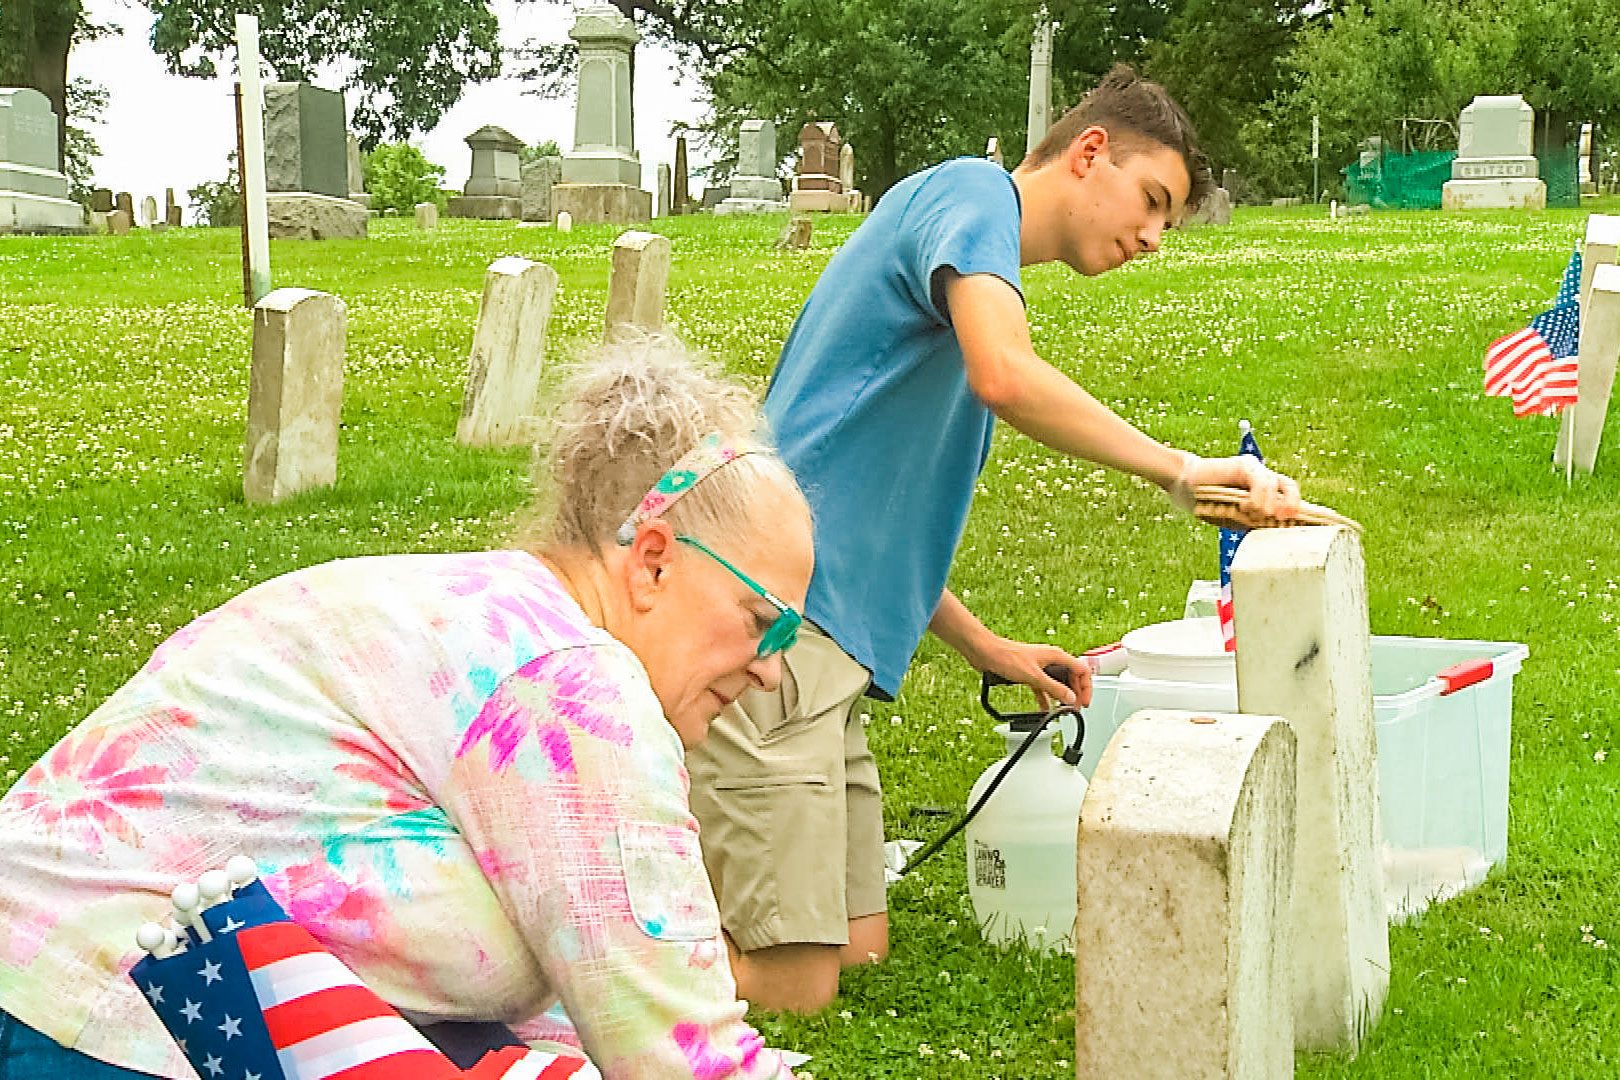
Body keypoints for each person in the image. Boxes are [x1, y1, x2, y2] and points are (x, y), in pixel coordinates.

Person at [0, 334, 810, 1079]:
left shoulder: (476, 610)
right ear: (656, 563)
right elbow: (676, 1053)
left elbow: (577, 1009)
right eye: (764, 622)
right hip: (101, 1018)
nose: (773, 671)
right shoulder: (572, 682)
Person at [687, 64, 1303, 1012]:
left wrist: (989, 648)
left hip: (828, 656)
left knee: (859, 955)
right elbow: (1006, 376)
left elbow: (865, 522)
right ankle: (600, 949)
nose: (1150, 237)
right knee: (792, 989)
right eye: (1151, 202)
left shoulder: (961, 278)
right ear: (1088, 151)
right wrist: (1180, 470)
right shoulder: (968, 195)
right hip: (764, 639)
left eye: (1166, 224)